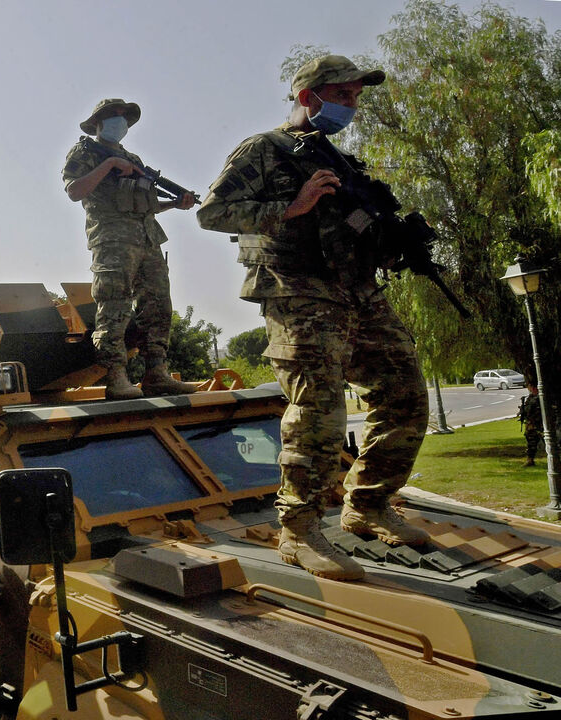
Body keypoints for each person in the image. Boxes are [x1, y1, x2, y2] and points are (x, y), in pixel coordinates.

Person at [197, 55, 430, 582]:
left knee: (405, 394)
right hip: (298, 292)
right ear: (309, 97)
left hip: (359, 292)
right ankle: (299, 530)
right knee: (320, 409)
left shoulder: (337, 159)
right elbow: (211, 212)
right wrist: (291, 205)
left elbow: (354, 224)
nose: (352, 106)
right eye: (343, 96)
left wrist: (390, 247)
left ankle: (368, 505)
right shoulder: (264, 149)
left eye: (355, 98)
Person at [62, 98, 200, 399]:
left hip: (148, 240)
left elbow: (145, 207)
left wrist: (176, 203)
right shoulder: (86, 151)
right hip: (112, 242)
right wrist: (109, 164)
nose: (120, 122)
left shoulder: (133, 159)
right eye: (114, 116)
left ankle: (157, 374)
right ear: (98, 122)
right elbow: (74, 190)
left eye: (125, 117)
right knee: (114, 307)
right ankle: (115, 377)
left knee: (158, 307)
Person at [519, 384, 543, 467]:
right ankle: (530, 460)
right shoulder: (530, 397)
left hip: (539, 424)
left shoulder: (538, 398)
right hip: (531, 424)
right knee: (531, 442)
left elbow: (531, 409)